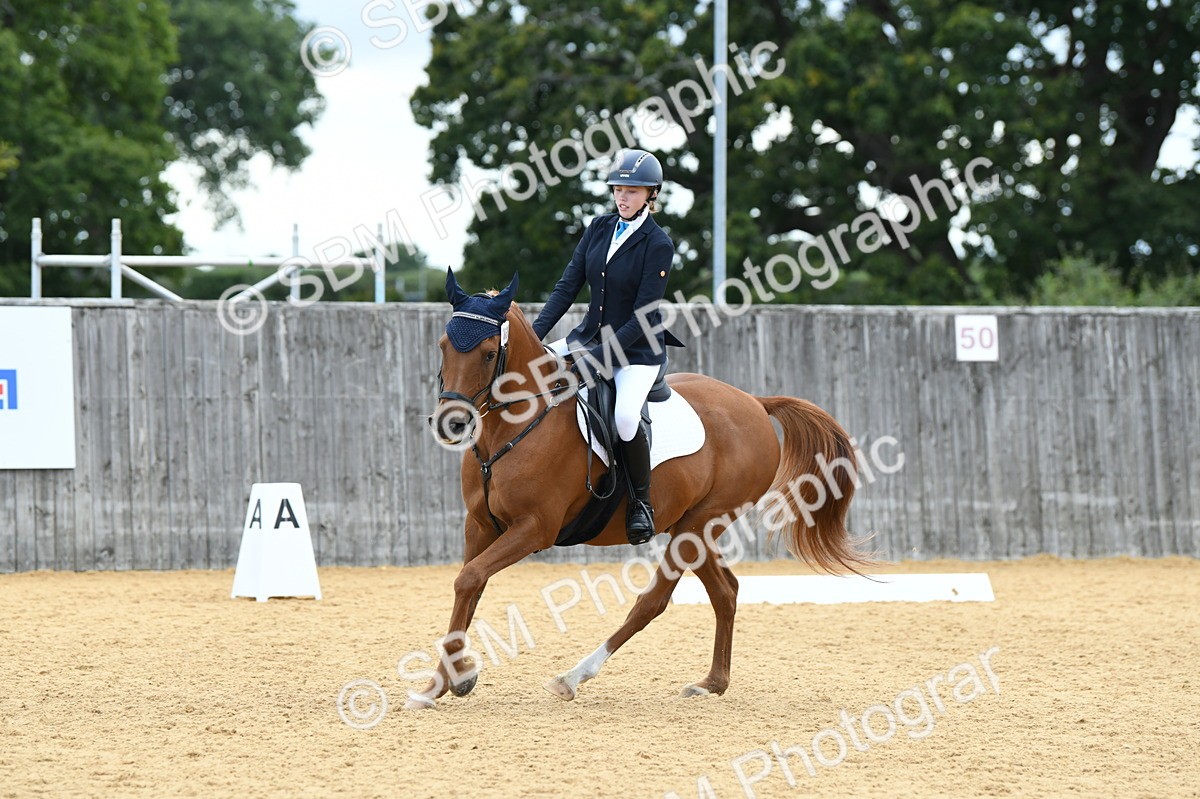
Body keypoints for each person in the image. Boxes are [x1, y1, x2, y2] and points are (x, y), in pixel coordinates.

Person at [532, 149, 682, 545]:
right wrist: (535, 337)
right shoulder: (599, 228)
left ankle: (641, 505)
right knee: (531, 377)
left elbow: (644, 314)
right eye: (618, 189)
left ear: (651, 194)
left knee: (626, 419)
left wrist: (601, 359)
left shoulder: (658, 243)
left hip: (637, 352)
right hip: (588, 337)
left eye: (632, 191)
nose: (622, 197)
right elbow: (567, 287)